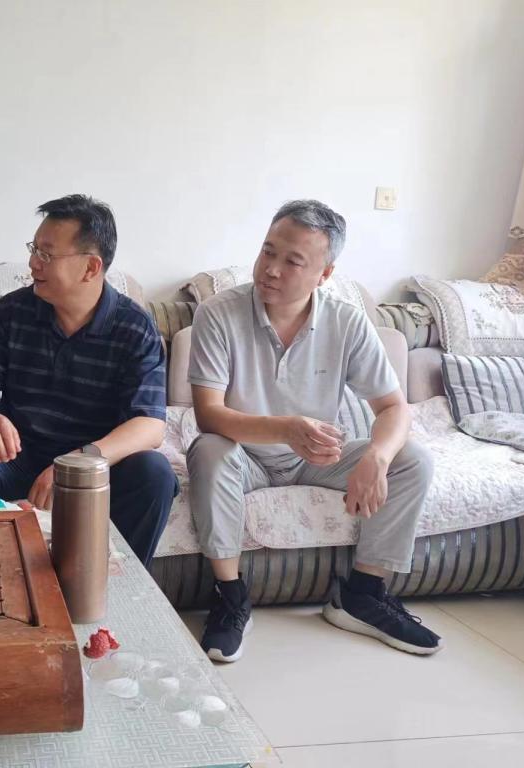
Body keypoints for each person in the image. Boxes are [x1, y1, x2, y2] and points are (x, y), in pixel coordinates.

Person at [187, 199, 441, 660]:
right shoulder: (217, 313)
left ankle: (362, 595)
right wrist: (285, 429)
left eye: (292, 261)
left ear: (324, 274)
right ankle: (230, 596)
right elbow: (209, 414)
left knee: (413, 461)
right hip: (244, 455)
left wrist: (377, 456)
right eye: (268, 251)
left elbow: (394, 408)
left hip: (318, 458)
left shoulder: (346, 321)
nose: (271, 269)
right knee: (208, 449)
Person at [0, 194, 178, 566]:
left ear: (91, 267)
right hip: (19, 456)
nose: (33, 263)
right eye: (34, 249)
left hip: (96, 464)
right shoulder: (13, 310)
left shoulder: (134, 327)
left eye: (46, 254)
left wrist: (76, 465)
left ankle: (117, 583)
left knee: (154, 474)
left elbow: (149, 426)